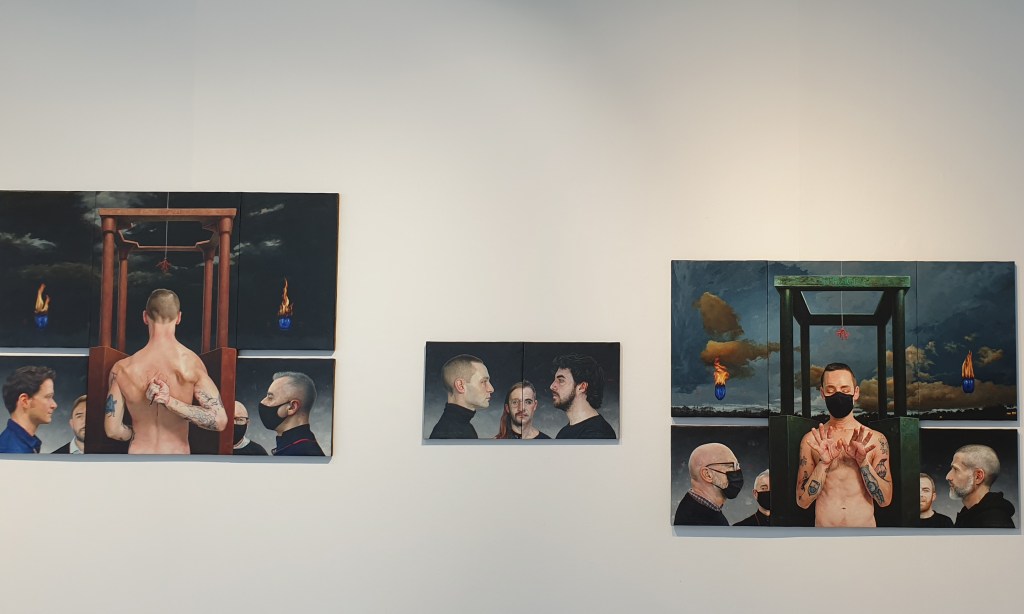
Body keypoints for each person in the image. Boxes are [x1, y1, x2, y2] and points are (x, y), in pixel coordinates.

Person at [103, 289, 228, 454]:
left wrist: (133, 433)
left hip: (138, 458)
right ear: (179, 318)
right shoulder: (191, 365)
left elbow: (113, 430)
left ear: (145, 317)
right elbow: (219, 421)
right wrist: (170, 402)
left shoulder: (123, 369)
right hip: (177, 459)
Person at [795, 362, 892, 527]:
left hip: (864, 535)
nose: (838, 395)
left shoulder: (875, 439)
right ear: (823, 393)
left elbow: (885, 500)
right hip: (824, 535)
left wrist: (863, 462)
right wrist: (823, 464)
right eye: (831, 390)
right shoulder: (812, 440)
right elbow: (802, 501)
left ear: (856, 392)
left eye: (845, 390)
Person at [946, 444, 1015, 528]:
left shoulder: (994, 522)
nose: (948, 477)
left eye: (956, 469)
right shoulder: (969, 514)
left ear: (978, 477)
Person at [674, 442, 743, 526]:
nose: (737, 471)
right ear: (707, 474)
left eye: (737, 465)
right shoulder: (699, 520)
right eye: (731, 466)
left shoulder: (706, 511)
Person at [550, 354, 616, 439]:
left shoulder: (599, 433)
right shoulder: (563, 433)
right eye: (555, 380)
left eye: (561, 380)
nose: (552, 386)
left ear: (582, 387)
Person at [259, 371, 324, 456]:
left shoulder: (299, 453)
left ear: (292, 407)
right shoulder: (299, 447)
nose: (262, 402)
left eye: (270, 398)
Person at [428, 354, 493, 439]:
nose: (491, 389)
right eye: (483, 381)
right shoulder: (448, 433)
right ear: (460, 386)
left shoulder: (464, 427)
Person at [0, 366, 57, 454]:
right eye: (48, 397)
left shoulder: (18, 444)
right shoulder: (12, 451)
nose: (54, 405)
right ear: (25, 401)